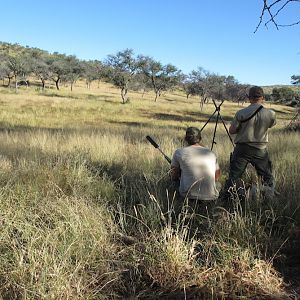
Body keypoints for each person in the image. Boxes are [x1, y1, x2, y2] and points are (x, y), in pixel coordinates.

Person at [223, 85, 276, 201]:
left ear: (249, 97)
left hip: (242, 149)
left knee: (234, 176)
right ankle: (269, 199)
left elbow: (232, 131)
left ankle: (227, 199)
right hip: (260, 149)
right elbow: (271, 125)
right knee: (267, 177)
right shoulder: (271, 113)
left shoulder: (241, 113)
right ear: (262, 97)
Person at [170, 127, 221, 215]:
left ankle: (178, 207)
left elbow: (173, 176)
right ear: (200, 138)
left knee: (173, 183)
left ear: (186, 139)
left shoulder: (179, 152)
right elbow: (216, 177)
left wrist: (181, 175)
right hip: (210, 197)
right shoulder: (210, 153)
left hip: (189, 196)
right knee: (218, 184)